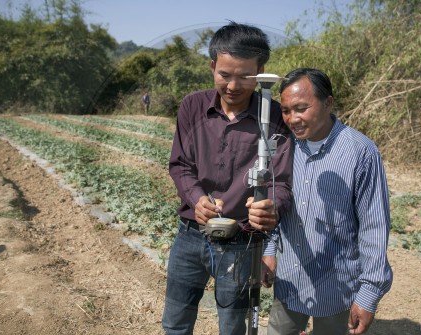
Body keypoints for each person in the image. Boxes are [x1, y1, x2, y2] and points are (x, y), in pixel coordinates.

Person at [164, 22, 293, 335]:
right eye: (225, 74)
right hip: (190, 236)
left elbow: (283, 182)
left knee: (233, 326)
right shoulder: (192, 107)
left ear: (261, 70)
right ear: (212, 66)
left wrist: (271, 206)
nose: (234, 85)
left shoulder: (274, 117)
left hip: (242, 243)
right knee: (175, 322)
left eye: (245, 76)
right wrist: (197, 199)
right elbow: (180, 164)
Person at [264, 68, 393, 335]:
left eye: (301, 108)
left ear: (328, 103)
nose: (293, 119)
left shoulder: (361, 152)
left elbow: (374, 227)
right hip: (289, 280)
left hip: (336, 287)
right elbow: (273, 204)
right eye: (286, 110)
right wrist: (268, 250)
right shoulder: (283, 147)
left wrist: (368, 293)